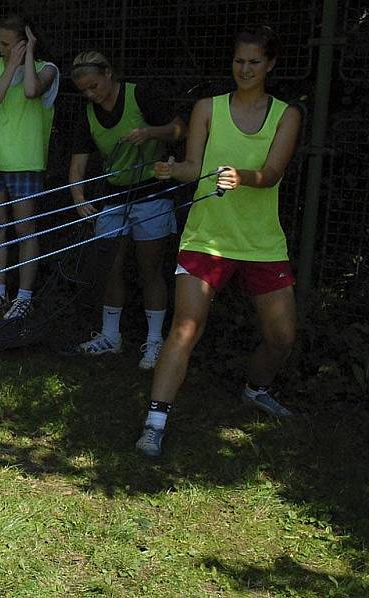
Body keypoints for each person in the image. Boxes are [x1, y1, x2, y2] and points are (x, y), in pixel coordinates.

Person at [135, 26, 301, 457]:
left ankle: (256, 389)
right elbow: (194, 168)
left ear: (270, 65)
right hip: (206, 236)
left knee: (281, 336)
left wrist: (243, 177)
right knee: (185, 327)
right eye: (239, 61)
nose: (245, 69)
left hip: (261, 240)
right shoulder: (208, 107)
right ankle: (154, 423)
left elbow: (272, 175)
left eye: (254, 62)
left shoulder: (286, 114)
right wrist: (172, 172)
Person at [65, 50, 187, 369]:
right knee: (110, 266)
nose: (91, 94)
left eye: (94, 85)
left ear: (109, 74)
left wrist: (149, 133)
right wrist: (79, 198)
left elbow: (179, 130)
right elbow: (76, 166)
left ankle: (156, 341)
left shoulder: (140, 96)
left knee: (150, 268)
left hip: (152, 194)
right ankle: (110, 336)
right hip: (113, 196)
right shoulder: (88, 115)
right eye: (84, 91)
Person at [0, 15, 59, 320]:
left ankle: (24, 296)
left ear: (25, 43)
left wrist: (29, 58)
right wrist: (10, 64)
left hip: (26, 163)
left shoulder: (47, 69)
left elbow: (31, 91)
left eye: (6, 44)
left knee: (25, 229)